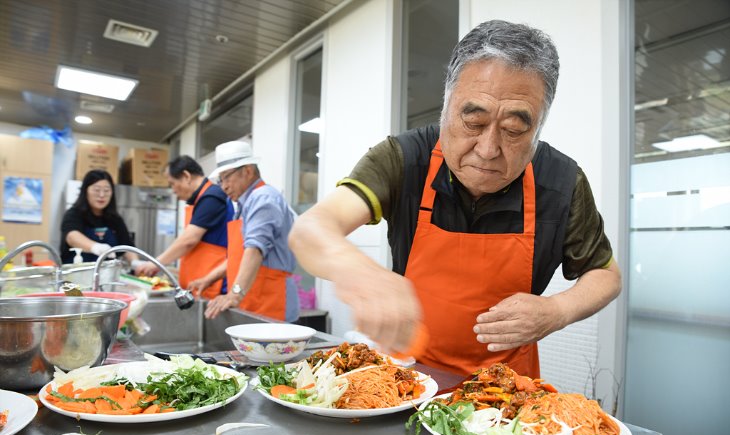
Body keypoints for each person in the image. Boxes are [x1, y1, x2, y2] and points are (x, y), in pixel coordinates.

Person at [288, 20, 622, 378]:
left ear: (538, 130)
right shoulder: (405, 158)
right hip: (408, 378)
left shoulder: (561, 181)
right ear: (445, 109)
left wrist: (557, 311)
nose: (488, 149)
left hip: (506, 393)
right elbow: (310, 230)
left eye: (513, 130)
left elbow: (605, 274)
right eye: (473, 122)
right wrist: (359, 271)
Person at [189, 140, 300, 322]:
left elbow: (254, 250)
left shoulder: (263, 199)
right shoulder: (245, 203)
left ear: (247, 171)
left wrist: (235, 294)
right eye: (220, 180)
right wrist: (208, 279)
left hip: (272, 301)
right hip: (256, 299)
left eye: (226, 177)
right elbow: (238, 257)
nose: (223, 186)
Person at [135, 156, 234, 299]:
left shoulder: (212, 197)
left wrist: (155, 264)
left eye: (172, 183)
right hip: (200, 286)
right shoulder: (200, 200)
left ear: (186, 176)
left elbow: (189, 240)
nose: (173, 190)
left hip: (214, 287)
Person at [60, 169, 138, 265]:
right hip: (76, 275)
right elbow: (72, 237)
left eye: (106, 190)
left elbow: (127, 246)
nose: (102, 195)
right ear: (85, 191)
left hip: (107, 276)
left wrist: (136, 263)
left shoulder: (115, 219)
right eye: (97, 190)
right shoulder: (74, 214)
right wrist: (96, 247)